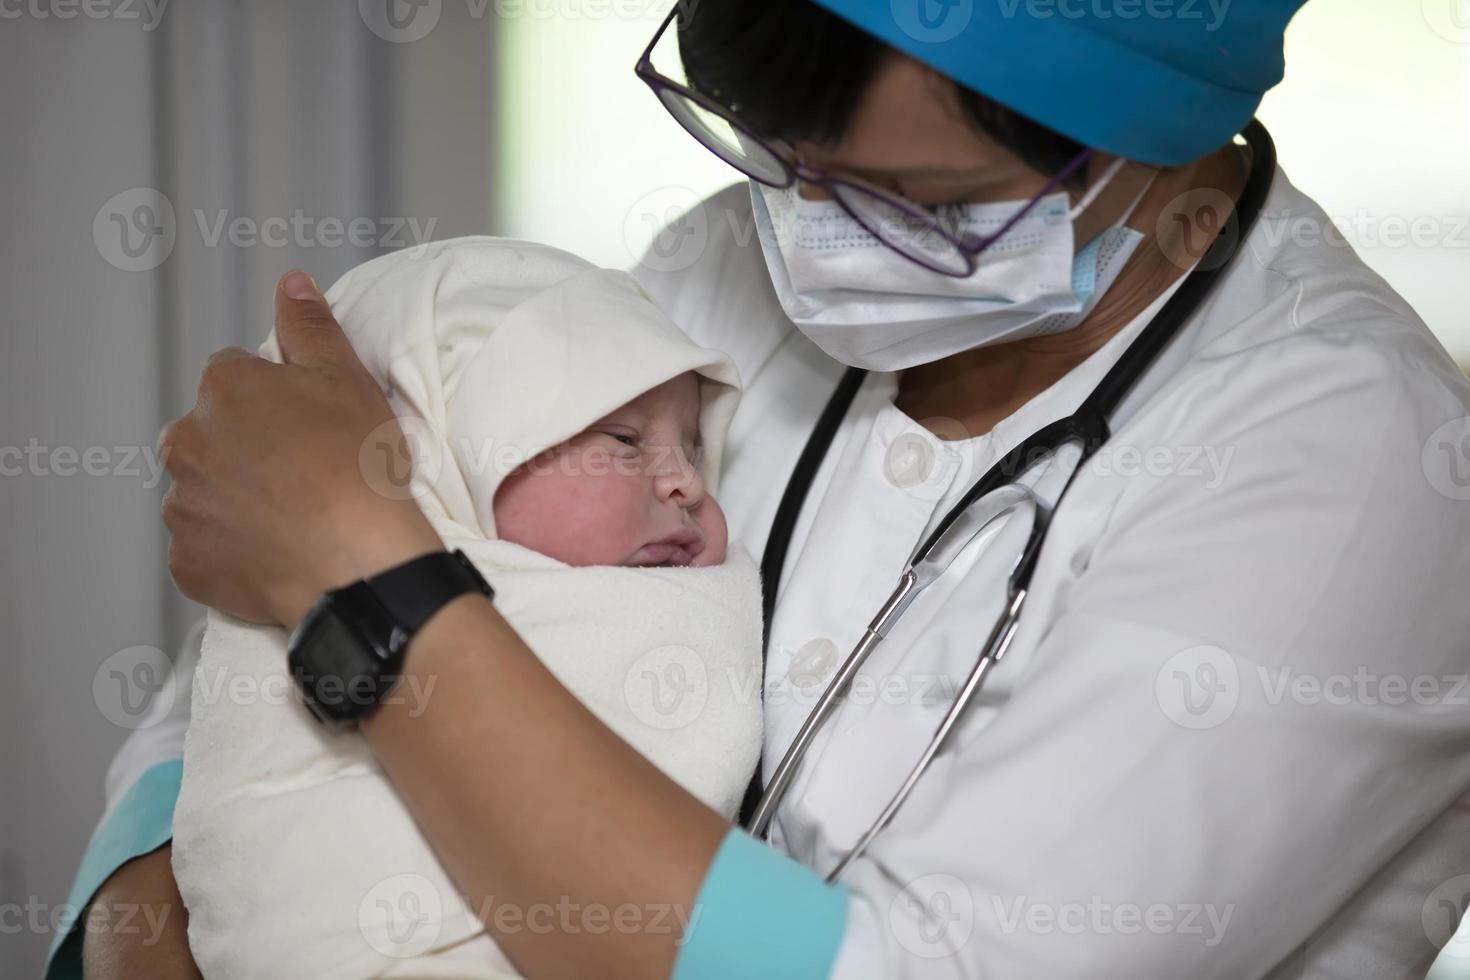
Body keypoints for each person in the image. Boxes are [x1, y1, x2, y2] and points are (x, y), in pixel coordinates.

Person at [51, 1, 1470, 978]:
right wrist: (135, 936)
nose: (804, 237)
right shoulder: (718, 262)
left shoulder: (1353, 479)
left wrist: (372, 583)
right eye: (779, 162)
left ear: (1151, 154)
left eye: (911, 202)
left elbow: (330, 559)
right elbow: (247, 665)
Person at [168, 238, 762, 979]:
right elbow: (206, 768)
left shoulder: (664, 605)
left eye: (698, 447)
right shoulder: (280, 593)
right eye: (623, 438)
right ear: (441, 454)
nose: (686, 481)